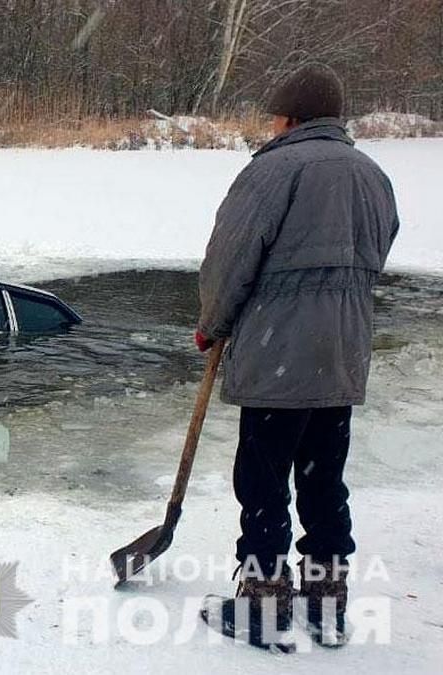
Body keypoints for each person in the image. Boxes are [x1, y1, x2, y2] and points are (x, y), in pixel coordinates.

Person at [195, 64, 399, 649]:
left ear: (290, 117)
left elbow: (230, 258)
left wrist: (212, 324)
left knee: (262, 481)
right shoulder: (373, 175)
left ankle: (261, 607)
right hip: (342, 353)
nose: (273, 125)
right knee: (323, 479)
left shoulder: (274, 169)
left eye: (276, 116)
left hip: (277, 351)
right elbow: (377, 252)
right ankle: (326, 604)